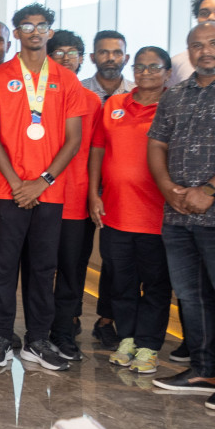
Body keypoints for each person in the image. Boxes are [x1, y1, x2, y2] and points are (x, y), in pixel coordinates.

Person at [146, 21, 215, 408]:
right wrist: (166, 188)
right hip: (177, 215)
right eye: (196, 45)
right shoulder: (175, 94)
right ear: (188, 51)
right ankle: (204, 369)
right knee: (191, 298)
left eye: (214, 43)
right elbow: (157, 144)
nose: (205, 51)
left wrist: (209, 189)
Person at [0, 3, 89, 372]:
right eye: (27, 26)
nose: (35, 32)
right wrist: (15, 182)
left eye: (42, 26)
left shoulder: (66, 79)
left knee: (43, 268)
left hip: (48, 192)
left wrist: (41, 182)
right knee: (4, 268)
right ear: (18, 33)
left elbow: (73, 140)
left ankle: (37, 340)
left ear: (50, 32)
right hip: (8, 190)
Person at [89, 46, 172, 374]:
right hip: (116, 212)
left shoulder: (173, 106)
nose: (146, 72)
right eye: (140, 66)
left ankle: (149, 345)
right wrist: (95, 194)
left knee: (155, 284)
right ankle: (126, 338)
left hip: (158, 216)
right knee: (121, 281)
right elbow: (97, 149)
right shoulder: (115, 104)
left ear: (167, 72)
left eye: (154, 67)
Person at [47, 28, 103, 360]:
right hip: (40, 197)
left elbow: (96, 151)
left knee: (72, 271)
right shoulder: (38, 97)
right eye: (60, 52)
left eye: (74, 52)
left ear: (83, 59)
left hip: (76, 198)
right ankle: (38, 330)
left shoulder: (92, 100)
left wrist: (95, 193)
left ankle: (64, 332)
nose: (67, 58)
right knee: (39, 270)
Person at [82, 30, 134, 100]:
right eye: (103, 52)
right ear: (92, 57)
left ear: (126, 59)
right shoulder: (78, 90)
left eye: (117, 53)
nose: (111, 58)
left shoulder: (138, 92)